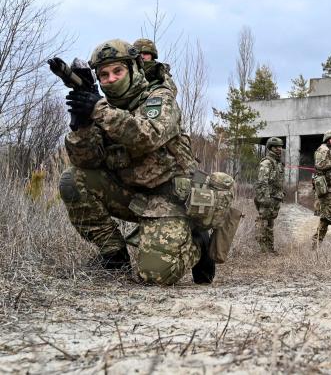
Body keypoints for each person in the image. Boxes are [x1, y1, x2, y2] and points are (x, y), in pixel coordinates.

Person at [58, 39, 215, 285]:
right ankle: (114, 256)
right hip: (132, 195)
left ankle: (197, 243)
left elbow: (147, 136)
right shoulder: (103, 108)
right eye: (104, 75)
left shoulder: (159, 97)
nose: (111, 79)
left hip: (169, 197)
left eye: (118, 71)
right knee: (72, 179)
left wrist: (98, 110)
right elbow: (86, 161)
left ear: (133, 70)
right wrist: (81, 125)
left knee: (154, 275)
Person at [254, 137, 285, 253]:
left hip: (275, 198)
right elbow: (262, 182)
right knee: (263, 222)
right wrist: (265, 199)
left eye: (280, 147)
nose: (279, 149)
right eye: (277, 147)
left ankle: (269, 249)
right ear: (270, 148)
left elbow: (277, 181)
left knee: (270, 224)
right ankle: (263, 249)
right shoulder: (267, 162)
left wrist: (281, 193)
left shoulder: (277, 163)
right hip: (268, 198)